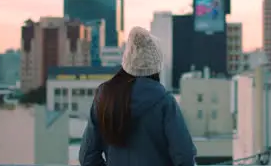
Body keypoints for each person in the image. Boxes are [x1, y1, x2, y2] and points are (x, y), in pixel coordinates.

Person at [79, 26, 197, 166]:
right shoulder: (165, 101)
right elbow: (185, 157)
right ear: (156, 67)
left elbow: (87, 156)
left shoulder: (104, 97)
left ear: (126, 62)